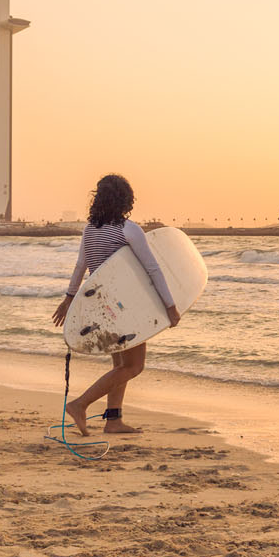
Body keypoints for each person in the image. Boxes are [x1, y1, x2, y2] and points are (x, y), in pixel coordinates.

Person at [52, 174, 180, 436]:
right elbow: (153, 269)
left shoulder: (90, 229)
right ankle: (80, 404)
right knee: (134, 366)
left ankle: (113, 420)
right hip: (126, 307)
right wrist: (170, 306)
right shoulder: (128, 229)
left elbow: (81, 267)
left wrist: (68, 299)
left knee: (119, 366)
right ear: (126, 199)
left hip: (101, 307)